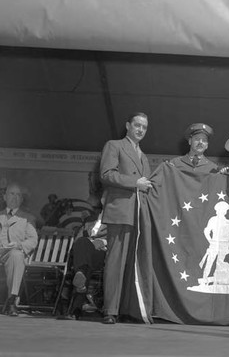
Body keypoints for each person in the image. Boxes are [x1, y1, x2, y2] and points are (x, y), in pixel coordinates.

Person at [99, 112, 153, 325]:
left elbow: (147, 185)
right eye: (137, 125)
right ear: (128, 125)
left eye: (144, 127)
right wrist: (134, 182)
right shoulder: (114, 145)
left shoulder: (144, 156)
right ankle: (110, 310)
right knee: (115, 262)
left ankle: (126, 309)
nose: (140, 130)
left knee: (132, 265)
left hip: (137, 217)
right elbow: (106, 174)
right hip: (120, 213)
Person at [0, 183, 37, 316]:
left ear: (21, 199)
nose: (15, 197)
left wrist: (18, 245)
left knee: (17, 255)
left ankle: (12, 300)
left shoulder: (28, 218)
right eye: (11, 193)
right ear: (4, 197)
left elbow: (32, 240)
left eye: (18, 195)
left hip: (10, 253)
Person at [59, 200, 107, 320]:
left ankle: (75, 310)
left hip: (102, 255)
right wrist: (88, 242)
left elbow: (117, 241)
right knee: (82, 245)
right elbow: (78, 240)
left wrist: (101, 242)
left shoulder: (115, 223)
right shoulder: (90, 221)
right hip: (86, 255)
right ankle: (76, 307)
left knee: (83, 262)